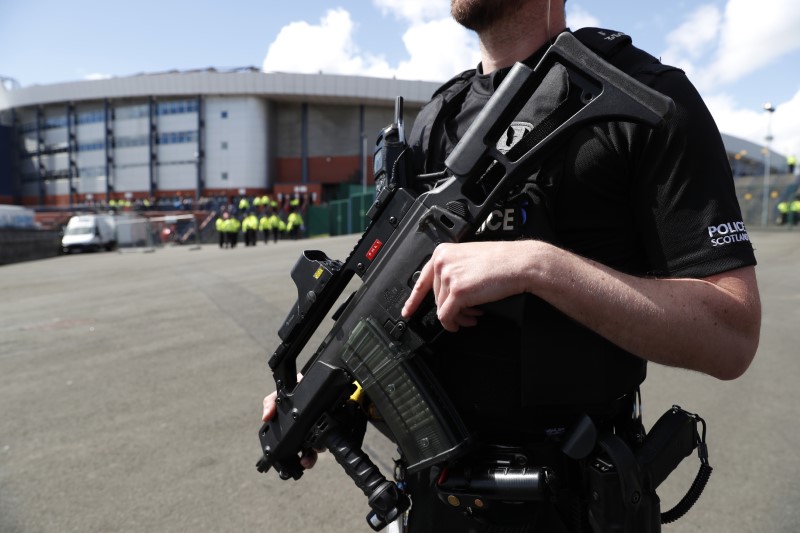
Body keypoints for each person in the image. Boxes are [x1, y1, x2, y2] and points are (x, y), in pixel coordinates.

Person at [262, 1, 761, 531]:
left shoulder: (645, 95)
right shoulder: (437, 119)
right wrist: (328, 397)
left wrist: (537, 266)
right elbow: (399, 316)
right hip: (439, 503)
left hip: (575, 505)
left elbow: (732, 334)